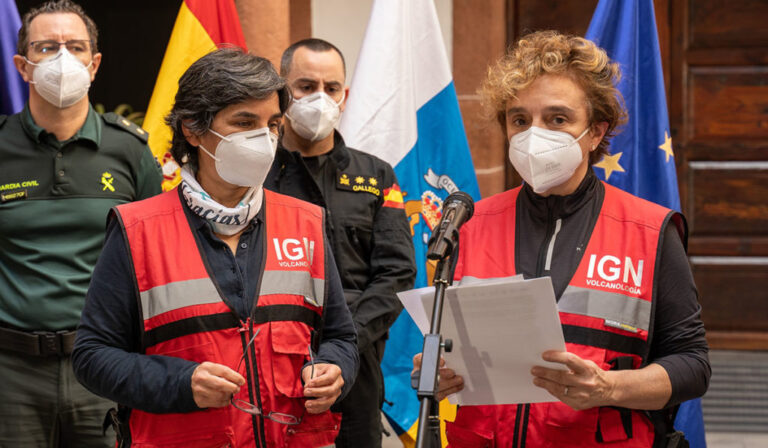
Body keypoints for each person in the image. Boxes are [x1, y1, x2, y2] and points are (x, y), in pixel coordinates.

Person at [413, 30, 710, 447]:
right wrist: (434, 373)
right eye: (520, 120)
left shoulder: (650, 231)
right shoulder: (469, 224)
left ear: (594, 132)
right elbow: (450, 350)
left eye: (557, 119)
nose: (535, 135)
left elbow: (692, 366)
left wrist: (610, 388)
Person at [72, 48, 359, 448]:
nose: (264, 138)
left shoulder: (306, 222)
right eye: (244, 122)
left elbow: (341, 337)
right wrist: (180, 383)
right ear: (192, 128)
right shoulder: (137, 230)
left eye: (273, 124)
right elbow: (92, 356)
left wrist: (334, 369)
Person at [0, 1, 162, 446]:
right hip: (9, 372)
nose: (62, 58)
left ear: (95, 65)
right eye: (46, 47)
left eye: (75, 47)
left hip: (104, 365)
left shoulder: (130, 151)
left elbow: (157, 259)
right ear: (22, 65)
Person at [265, 38, 417, 447]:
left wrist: (343, 343)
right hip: (271, 363)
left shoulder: (377, 175)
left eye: (331, 88)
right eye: (305, 86)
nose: (320, 98)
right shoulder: (256, 175)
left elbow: (398, 273)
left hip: (357, 369)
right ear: (282, 92)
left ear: (344, 95)